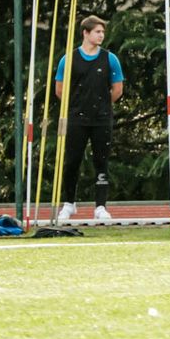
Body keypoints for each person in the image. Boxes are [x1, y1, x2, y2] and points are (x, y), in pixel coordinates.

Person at [53, 15, 124, 224]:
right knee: (72, 161)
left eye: (103, 32)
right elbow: (59, 89)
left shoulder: (110, 58)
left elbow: (117, 89)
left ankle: (100, 206)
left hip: (101, 119)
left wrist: (102, 105)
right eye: (97, 32)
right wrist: (77, 105)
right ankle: (69, 203)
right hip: (76, 118)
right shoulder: (69, 59)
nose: (101, 35)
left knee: (101, 161)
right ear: (86, 33)